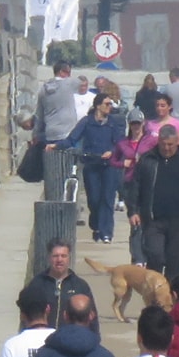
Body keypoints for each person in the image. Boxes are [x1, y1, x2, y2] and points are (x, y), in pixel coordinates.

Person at [130, 124, 179, 280]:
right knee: (155, 257)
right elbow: (135, 187)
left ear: (177, 142)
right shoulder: (147, 160)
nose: (167, 148)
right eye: (163, 144)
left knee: (175, 263)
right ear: (158, 142)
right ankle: (154, 297)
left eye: (170, 144)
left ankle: (172, 299)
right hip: (153, 219)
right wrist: (133, 211)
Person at [65, 92, 125, 243]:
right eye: (107, 104)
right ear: (98, 105)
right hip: (92, 164)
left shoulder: (113, 122)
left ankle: (106, 233)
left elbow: (120, 144)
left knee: (108, 199)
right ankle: (96, 225)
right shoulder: (87, 121)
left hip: (109, 166)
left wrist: (111, 151)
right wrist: (55, 146)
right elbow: (72, 138)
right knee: (94, 199)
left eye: (111, 104)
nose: (109, 107)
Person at [26, 238, 95, 322]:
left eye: (63, 256)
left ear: (69, 258)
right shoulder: (37, 283)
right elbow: (27, 314)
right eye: (55, 256)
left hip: (70, 334)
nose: (59, 260)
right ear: (49, 257)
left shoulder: (80, 286)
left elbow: (92, 317)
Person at [116, 113, 153, 263]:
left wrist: (145, 160)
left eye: (138, 123)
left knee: (148, 222)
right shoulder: (123, 143)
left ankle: (146, 256)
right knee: (135, 223)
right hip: (130, 184)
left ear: (143, 123)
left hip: (148, 184)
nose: (136, 127)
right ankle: (137, 259)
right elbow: (113, 160)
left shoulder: (151, 141)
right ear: (129, 124)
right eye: (133, 124)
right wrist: (122, 164)